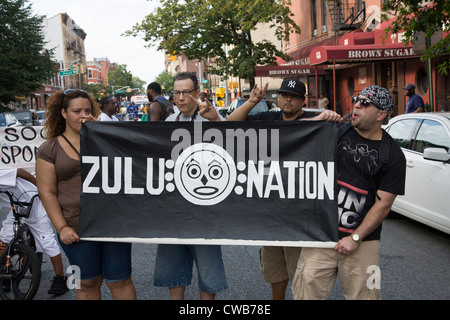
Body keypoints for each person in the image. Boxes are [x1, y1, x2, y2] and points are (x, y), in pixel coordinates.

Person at [227, 78, 341, 300]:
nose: (288, 100)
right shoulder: (270, 116)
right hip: (270, 210)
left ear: (302, 100)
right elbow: (232, 123)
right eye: (284, 95)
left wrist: (327, 117)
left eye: (295, 96)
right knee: (274, 270)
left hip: (299, 211)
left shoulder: (313, 119)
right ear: (278, 97)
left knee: (298, 269)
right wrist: (251, 102)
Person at [291, 85, 406, 300]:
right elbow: (291, 134)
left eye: (365, 103)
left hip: (363, 241)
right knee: (305, 291)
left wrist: (355, 237)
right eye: (356, 99)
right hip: (322, 234)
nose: (357, 105)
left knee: (365, 295)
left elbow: (383, 205)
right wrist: (318, 122)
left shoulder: (392, 155)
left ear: (381, 114)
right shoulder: (338, 130)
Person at [35, 89, 137, 300]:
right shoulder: (49, 149)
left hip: (113, 223)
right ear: (63, 113)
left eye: (87, 110)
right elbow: (47, 192)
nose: (83, 115)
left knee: (120, 280)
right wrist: (61, 227)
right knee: (87, 283)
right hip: (75, 227)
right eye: (76, 111)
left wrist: (98, 131)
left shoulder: (105, 141)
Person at [153, 72, 227, 300]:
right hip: (174, 209)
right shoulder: (168, 123)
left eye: (186, 92)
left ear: (197, 94)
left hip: (205, 208)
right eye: (177, 93)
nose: (181, 97)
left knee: (208, 270)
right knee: (174, 269)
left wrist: (215, 120)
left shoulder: (210, 118)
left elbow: (234, 144)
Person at [0, 168, 69, 295]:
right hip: (17, 206)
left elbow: (20, 172)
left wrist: (40, 187)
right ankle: (4, 270)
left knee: (47, 242)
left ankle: (61, 278)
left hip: (34, 202)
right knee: (4, 238)